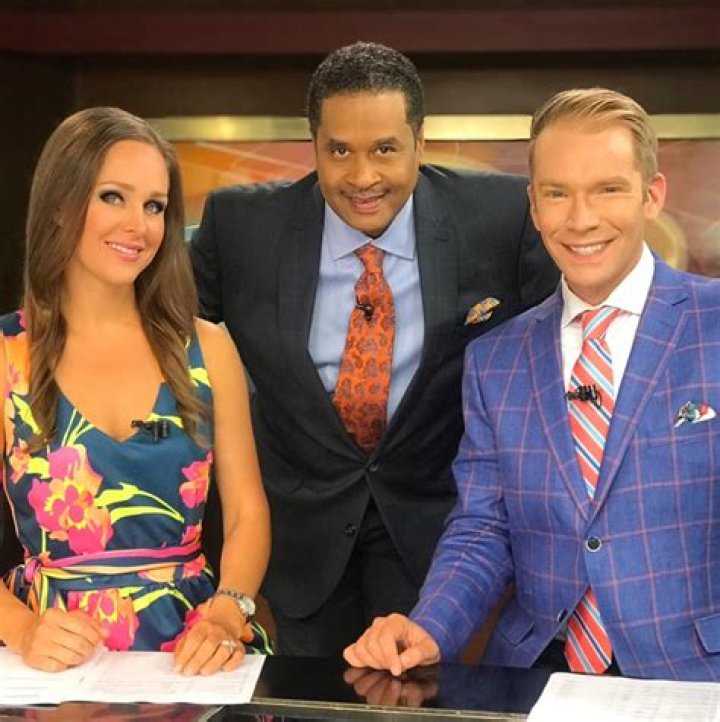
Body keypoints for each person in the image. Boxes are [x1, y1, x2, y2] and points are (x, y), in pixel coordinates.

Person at [191, 40, 559, 657]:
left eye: (385, 149)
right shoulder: (240, 228)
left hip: (436, 541)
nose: (362, 177)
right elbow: (157, 335)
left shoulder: (500, 218)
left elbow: (566, 343)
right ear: (313, 144)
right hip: (295, 543)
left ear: (420, 141)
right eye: (339, 151)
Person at [344, 87, 720, 681]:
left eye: (607, 189)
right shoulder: (495, 360)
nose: (580, 219)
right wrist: (430, 625)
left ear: (652, 195)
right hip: (538, 673)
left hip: (694, 675)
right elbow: (483, 527)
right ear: (534, 205)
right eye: (557, 193)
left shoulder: (712, 324)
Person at [0, 107, 272, 675]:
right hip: (49, 660)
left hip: (191, 655)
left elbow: (247, 513)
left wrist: (229, 612)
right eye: (113, 197)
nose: (138, 226)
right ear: (59, 204)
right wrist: (23, 629)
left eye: (154, 206)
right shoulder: (7, 354)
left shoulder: (208, 348)